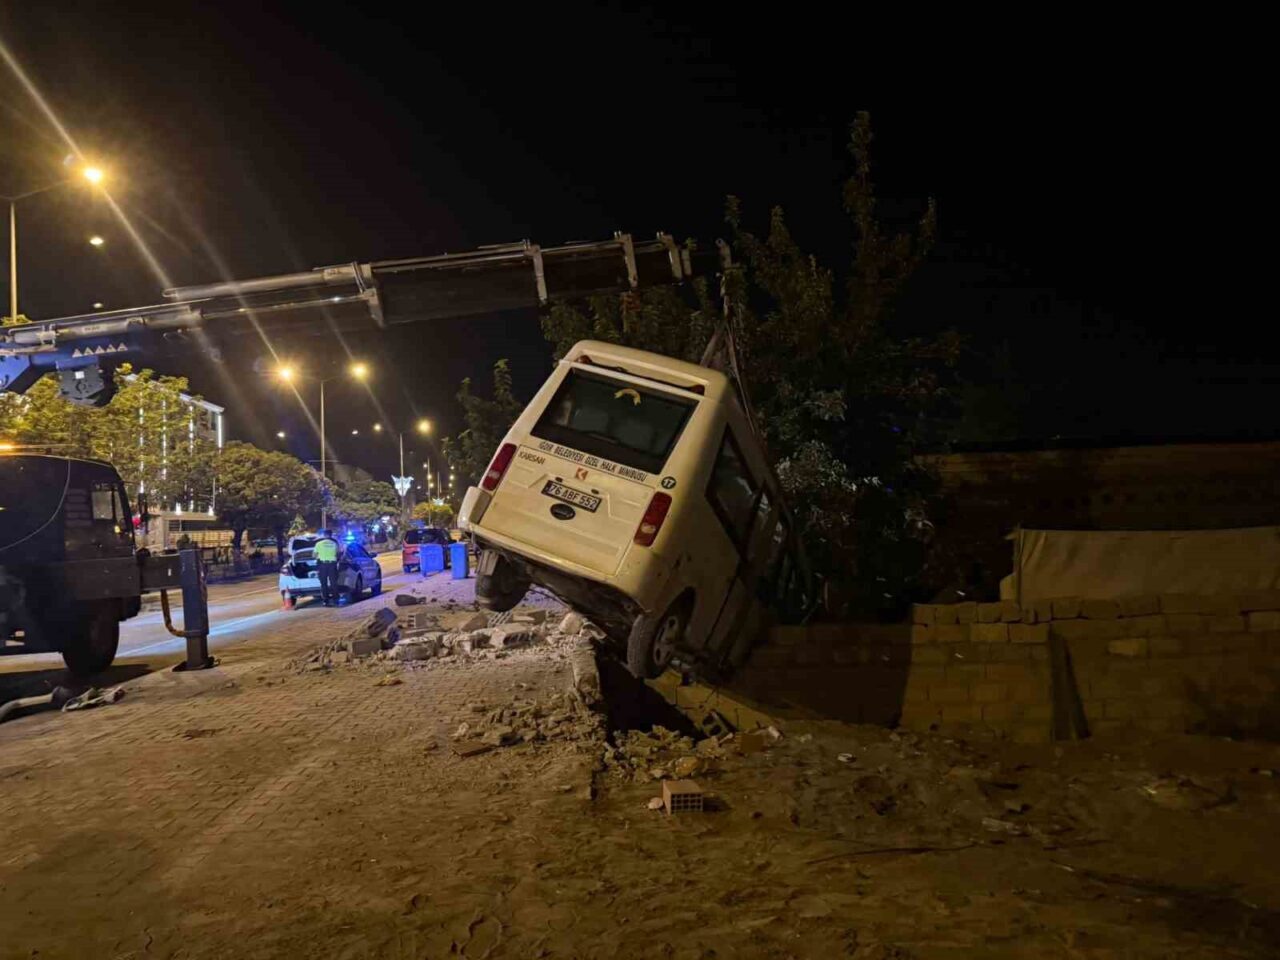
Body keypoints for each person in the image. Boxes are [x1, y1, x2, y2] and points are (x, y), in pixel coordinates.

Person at [314, 529, 340, 607]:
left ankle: (326, 601)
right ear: (331, 535)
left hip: (322, 565)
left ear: (324, 535)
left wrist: (319, 557)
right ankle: (336, 600)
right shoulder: (335, 544)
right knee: (333, 583)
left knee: (323, 583)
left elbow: (314, 555)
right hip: (332, 565)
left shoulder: (318, 544)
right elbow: (338, 554)